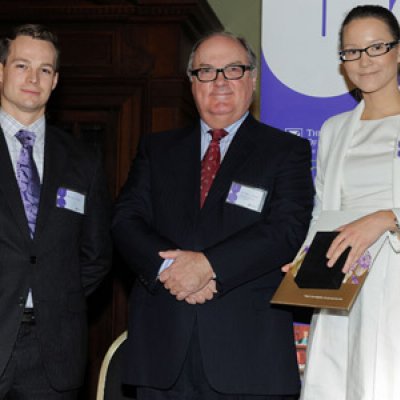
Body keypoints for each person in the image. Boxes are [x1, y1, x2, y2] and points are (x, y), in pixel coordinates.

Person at [112, 31, 314, 400]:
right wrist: (171, 271)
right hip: (162, 353)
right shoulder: (156, 149)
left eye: (233, 69)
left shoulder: (286, 151)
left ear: (251, 80)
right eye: (206, 71)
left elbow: (286, 229)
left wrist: (208, 265)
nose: (220, 81)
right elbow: (126, 220)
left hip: (248, 357)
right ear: (192, 84)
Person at [0, 24, 112, 399]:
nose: (33, 78)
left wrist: (55, 295)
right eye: (21, 66)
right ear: (0, 71)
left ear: (56, 79)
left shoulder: (84, 160)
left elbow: (96, 255)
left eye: (44, 69)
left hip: (54, 351)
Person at [297, 5, 400, 400]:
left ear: (397, 51)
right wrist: (305, 258)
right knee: (341, 382)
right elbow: (323, 208)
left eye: (376, 47)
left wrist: (387, 217)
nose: (364, 61)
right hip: (343, 278)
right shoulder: (335, 129)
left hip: (393, 275)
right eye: (352, 51)